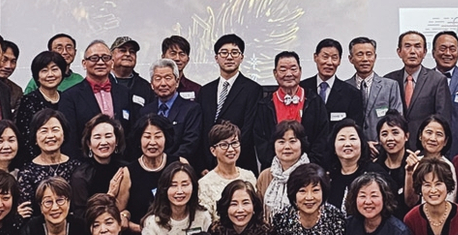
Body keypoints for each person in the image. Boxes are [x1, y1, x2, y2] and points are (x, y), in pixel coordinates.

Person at [198, 34, 266, 172]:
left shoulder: (253, 89)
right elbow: (201, 129)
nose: (229, 57)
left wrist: (229, 155)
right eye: (224, 53)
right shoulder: (205, 91)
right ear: (216, 58)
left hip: (240, 164)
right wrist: (204, 163)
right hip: (209, 166)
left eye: (234, 52)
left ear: (242, 57)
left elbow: (248, 129)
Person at [58, 40, 137, 156]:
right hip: (85, 162)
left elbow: (130, 131)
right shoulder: (70, 96)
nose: (100, 62)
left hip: (121, 161)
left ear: (112, 62)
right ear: (84, 63)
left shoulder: (124, 93)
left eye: (105, 58)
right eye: (94, 58)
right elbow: (70, 139)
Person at [113, 114, 176, 235]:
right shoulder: (128, 172)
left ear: (166, 138)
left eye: (158, 136)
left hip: (175, 234)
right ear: (139, 139)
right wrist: (142, 229)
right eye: (147, 137)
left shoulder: (179, 164)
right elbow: (120, 213)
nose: (152, 142)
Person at [261, 52, 330, 164]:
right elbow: (261, 141)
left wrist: (309, 164)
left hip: (309, 168)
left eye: (293, 69)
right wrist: (278, 165)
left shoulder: (314, 101)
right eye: (283, 70)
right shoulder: (265, 105)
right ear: (275, 73)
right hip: (275, 168)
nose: (289, 74)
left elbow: (322, 137)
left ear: (300, 71)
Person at [301, 39, 365, 158]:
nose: (329, 62)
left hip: (338, 156)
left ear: (339, 61)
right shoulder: (302, 89)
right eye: (325, 57)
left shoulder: (351, 93)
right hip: (307, 156)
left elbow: (356, 128)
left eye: (334, 58)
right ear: (315, 57)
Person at [385, 31, 452, 141]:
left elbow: (443, 120)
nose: (412, 51)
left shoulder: (437, 80)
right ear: (399, 52)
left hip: (425, 145)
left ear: (424, 52)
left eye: (417, 46)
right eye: (407, 46)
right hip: (395, 144)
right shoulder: (389, 80)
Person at [141, 59, 203, 164]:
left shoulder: (191, 109)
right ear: (151, 84)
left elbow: (190, 143)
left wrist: (167, 162)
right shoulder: (145, 111)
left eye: (168, 78)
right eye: (158, 79)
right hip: (150, 165)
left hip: (179, 165)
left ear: (177, 82)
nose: (163, 83)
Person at [13, 51, 69, 165]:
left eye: (55, 69)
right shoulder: (28, 101)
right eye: (44, 70)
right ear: (37, 76)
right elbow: (25, 138)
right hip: (36, 163)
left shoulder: (67, 99)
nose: (50, 75)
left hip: (65, 160)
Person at [345, 36, 404, 142]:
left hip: (382, 146)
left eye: (369, 54)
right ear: (350, 59)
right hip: (353, 146)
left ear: (375, 57)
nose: (365, 59)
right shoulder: (344, 87)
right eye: (359, 54)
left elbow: (397, 120)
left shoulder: (390, 86)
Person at [16, 109, 78, 206]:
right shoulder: (26, 173)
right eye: (44, 131)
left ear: (64, 134)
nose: (50, 135)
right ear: (35, 138)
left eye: (55, 130)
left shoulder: (76, 167)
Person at [255, 120, 312, 216]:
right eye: (281, 142)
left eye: (292, 141)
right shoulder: (265, 176)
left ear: (302, 144)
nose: (287, 147)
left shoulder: (312, 175)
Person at [197, 122, 256, 215]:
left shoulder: (249, 176)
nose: (231, 149)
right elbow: (206, 219)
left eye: (234, 143)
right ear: (213, 151)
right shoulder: (205, 183)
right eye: (224, 145)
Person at [69, 114, 124, 210]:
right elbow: (81, 214)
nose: (103, 142)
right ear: (89, 144)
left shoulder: (125, 169)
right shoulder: (81, 176)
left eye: (108, 136)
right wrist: (110, 195)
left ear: (117, 141)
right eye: (97, 137)